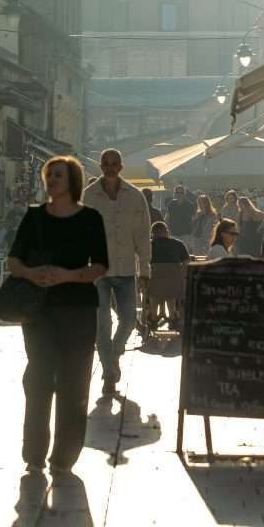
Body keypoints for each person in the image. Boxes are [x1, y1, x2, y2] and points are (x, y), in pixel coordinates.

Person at [8, 155, 108, 475]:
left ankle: (65, 454)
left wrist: (68, 275)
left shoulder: (90, 218)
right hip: (39, 310)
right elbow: (13, 260)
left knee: (75, 381)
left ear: (72, 181)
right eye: (49, 175)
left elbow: (100, 265)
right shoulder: (34, 217)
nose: (51, 181)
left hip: (78, 308)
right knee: (38, 377)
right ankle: (34, 451)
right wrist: (31, 273)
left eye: (58, 176)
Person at [84, 148, 151, 396]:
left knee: (129, 320)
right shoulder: (89, 196)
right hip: (98, 270)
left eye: (114, 163)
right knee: (102, 323)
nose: (110, 167)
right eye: (106, 163)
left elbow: (143, 236)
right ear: (101, 166)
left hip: (126, 269)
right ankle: (110, 375)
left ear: (121, 167)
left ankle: (112, 356)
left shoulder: (134, 197)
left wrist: (145, 269)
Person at [148, 221, 189, 328]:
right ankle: (172, 316)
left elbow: (142, 263)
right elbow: (186, 263)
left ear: (152, 234)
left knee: (153, 292)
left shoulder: (149, 245)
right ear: (166, 232)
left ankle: (153, 317)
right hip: (174, 286)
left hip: (154, 286)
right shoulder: (178, 244)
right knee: (171, 294)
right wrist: (181, 276)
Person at [165, 184, 196, 248]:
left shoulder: (189, 205)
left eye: (181, 192)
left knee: (184, 253)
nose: (179, 194)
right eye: (177, 192)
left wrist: (192, 235)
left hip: (186, 234)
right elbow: (167, 217)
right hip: (174, 233)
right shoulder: (171, 204)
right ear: (174, 194)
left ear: (184, 194)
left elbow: (193, 220)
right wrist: (166, 229)